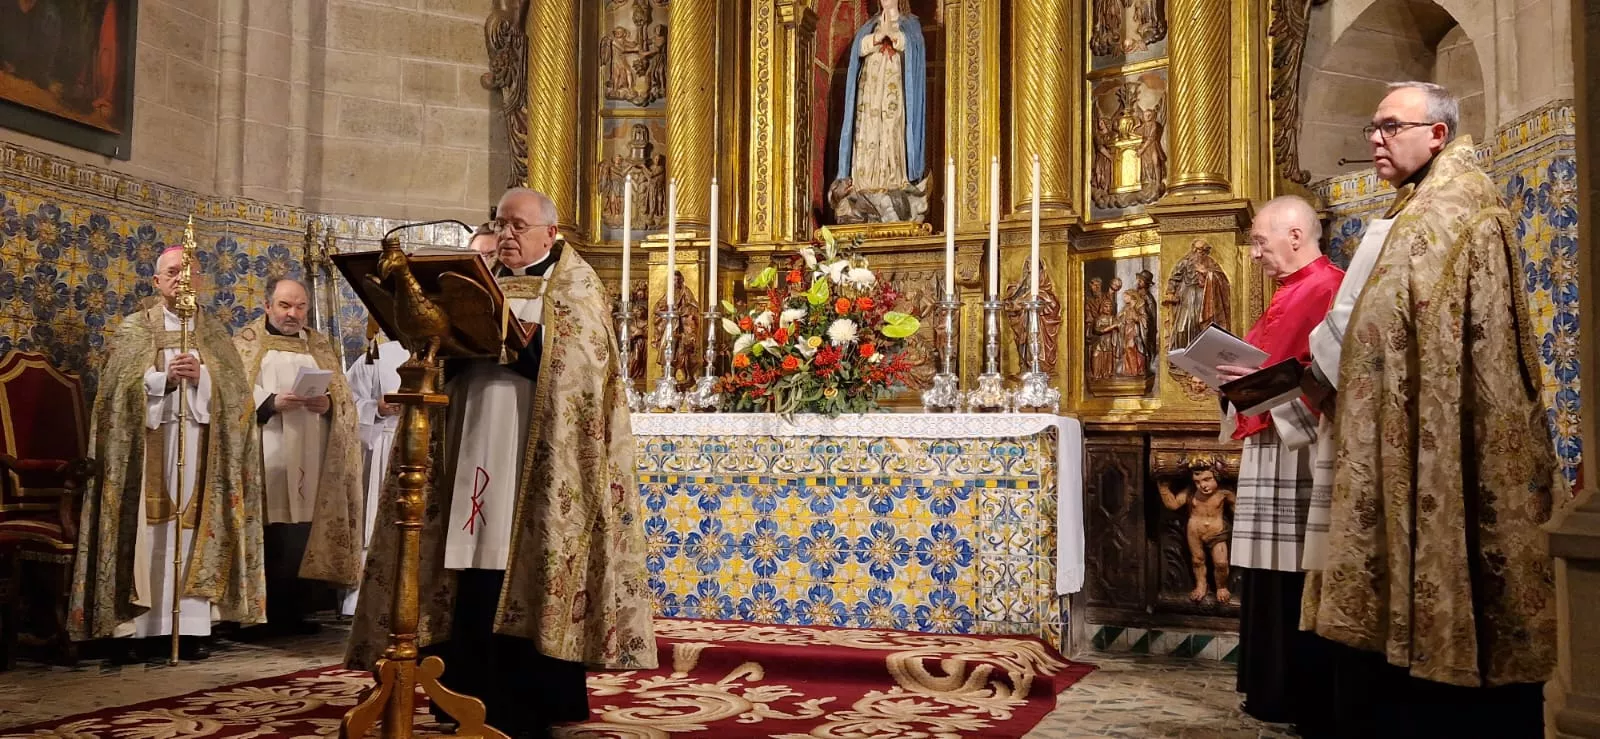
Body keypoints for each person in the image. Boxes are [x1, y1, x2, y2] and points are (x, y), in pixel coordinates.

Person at [1297, 81, 1559, 738]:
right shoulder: (1413, 209)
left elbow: (1481, 358)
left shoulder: (1465, 213)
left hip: (1440, 443)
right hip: (1385, 438)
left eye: (1390, 126)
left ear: (1436, 134)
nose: (1374, 139)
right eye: (1372, 127)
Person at [348, 188, 656, 739]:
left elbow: (586, 372)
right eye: (501, 224)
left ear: (550, 234)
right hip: (466, 437)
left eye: (519, 226)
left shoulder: (576, 286)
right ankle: (458, 694)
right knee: (466, 564)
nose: (507, 235)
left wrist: (526, 347)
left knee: (523, 563)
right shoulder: (471, 281)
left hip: (531, 456)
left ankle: (526, 704)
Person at [69, 247, 265, 662]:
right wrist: (161, 381)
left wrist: (203, 380)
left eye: (188, 273)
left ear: (200, 283)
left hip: (198, 447)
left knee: (191, 530)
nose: (181, 279)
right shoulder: (134, 329)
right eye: (172, 272)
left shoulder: (213, 333)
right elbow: (115, 397)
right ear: (156, 282)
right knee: (148, 530)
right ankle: (136, 627)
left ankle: (189, 628)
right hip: (147, 449)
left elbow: (238, 400)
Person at [1214, 196, 1343, 728]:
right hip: (1270, 439)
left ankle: (1296, 692)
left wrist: (1252, 384)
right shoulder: (1289, 292)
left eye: (1260, 242)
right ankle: (1267, 686)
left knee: (1294, 571)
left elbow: (1328, 372)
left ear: (1295, 235)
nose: (1253, 254)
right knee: (1267, 573)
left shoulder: (1328, 287)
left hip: (1301, 446)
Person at [234, 277, 364, 635]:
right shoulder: (244, 344)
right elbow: (229, 395)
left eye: (300, 307)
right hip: (266, 452)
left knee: (303, 529)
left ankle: (300, 611)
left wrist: (329, 404)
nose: (293, 314)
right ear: (267, 306)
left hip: (313, 450)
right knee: (271, 529)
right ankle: (259, 615)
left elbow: (344, 399)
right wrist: (269, 402)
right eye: (285, 306)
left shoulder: (319, 346)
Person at [337, 328, 409, 617]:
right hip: (386, 443)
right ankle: (363, 599)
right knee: (378, 523)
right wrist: (377, 409)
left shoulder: (444, 355)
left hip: (433, 446)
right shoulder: (377, 356)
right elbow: (345, 403)